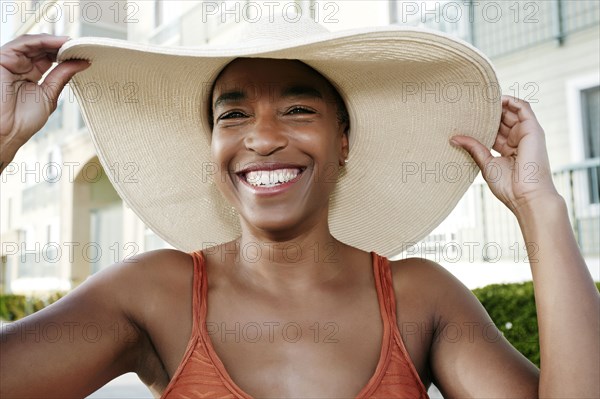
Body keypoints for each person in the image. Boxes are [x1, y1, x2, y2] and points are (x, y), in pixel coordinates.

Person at [1, 18, 598, 399]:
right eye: (232, 115)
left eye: (296, 110)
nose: (261, 138)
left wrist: (539, 207)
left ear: (343, 141)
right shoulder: (152, 292)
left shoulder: (422, 297)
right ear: (213, 147)